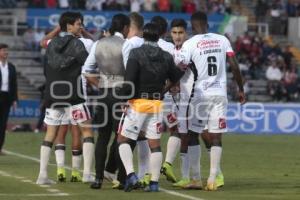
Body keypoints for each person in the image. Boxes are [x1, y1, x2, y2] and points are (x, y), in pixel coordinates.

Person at [176, 11, 246, 191]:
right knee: (216, 136)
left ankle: (196, 178)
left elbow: (180, 68)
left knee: (193, 133)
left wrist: (171, 85)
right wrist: (241, 89)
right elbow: (234, 65)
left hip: (200, 95)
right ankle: (213, 179)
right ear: (208, 24)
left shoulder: (189, 43)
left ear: (192, 27)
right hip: (220, 95)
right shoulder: (222, 40)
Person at [117, 22, 184, 192]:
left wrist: (124, 99)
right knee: (155, 145)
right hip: (157, 104)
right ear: (159, 36)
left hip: (138, 104)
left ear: (144, 36)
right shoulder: (166, 56)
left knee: (122, 140)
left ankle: (131, 175)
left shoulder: (136, 52)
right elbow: (175, 77)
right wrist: (169, 84)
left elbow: (129, 80)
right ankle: (154, 183)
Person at [36, 11, 95, 185]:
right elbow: (88, 63)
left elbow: (42, 41)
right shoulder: (78, 44)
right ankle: (86, 174)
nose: (81, 26)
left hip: (53, 96)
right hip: (73, 96)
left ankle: (42, 175)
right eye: (78, 23)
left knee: (50, 134)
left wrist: (57, 29)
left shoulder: (52, 43)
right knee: (87, 131)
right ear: (69, 26)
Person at [82, 13, 130, 189]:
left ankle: (98, 178)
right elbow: (131, 70)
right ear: (125, 27)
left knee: (102, 136)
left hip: (103, 93)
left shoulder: (98, 43)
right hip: (121, 93)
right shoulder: (127, 44)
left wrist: (100, 85)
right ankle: (122, 178)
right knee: (121, 137)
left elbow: (86, 70)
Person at [0, 43, 18, 155]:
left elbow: (14, 84)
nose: (6, 52)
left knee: (3, 124)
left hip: (7, 98)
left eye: (7, 50)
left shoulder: (11, 67)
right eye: (3, 50)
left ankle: (0, 147)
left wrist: (15, 100)